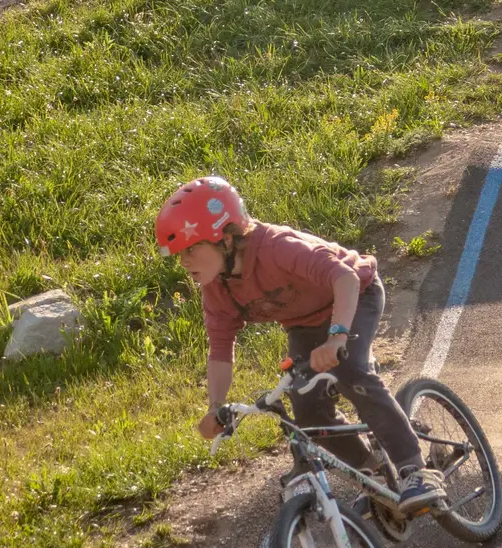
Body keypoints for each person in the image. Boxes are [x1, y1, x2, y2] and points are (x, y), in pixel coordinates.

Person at [155, 176, 445, 515]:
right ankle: (374, 473)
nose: (185, 261)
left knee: (351, 371)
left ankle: (414, 469)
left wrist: (337, 337)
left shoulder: (278, 247)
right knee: (306, 412)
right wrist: (215, 407)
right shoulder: (216, 289)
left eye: (192, 249)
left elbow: (346, 279)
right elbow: (220, 348)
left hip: (355, 297)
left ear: (226, 237)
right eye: (179, 254)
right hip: (304, 324)